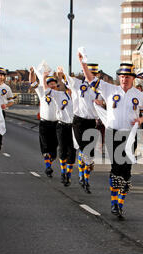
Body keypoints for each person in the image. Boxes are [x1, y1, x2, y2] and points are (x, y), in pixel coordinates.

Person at [80, 56, 143, 219]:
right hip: (113, 133)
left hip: (129, 135)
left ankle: (120, 203)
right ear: (119, 77)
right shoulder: (109, 89)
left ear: (133, 78)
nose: (124, 79)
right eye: (122, 76)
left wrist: (140, 119)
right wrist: (82, 63)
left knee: (126, 171)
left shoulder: (139, 95)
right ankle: (114, 204)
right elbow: (91, 79)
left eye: (127, 77)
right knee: (116, 168)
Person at [58, 63, 100, 194]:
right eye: (88, 73)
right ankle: (82, 176)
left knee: (89, 154)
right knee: (83, 148)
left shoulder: (100, 88)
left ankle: (85, 178)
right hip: (78, 121)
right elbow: (65, 79)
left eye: (93, 74)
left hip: (92, 122)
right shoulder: (76, 83)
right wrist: (61, 72)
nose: (91, 76)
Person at [45, 68, 76, 186]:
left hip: (73, 127)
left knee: (72, 152)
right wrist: (54, 77)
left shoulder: (79, 98)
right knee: (62, 150)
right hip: (62, 126)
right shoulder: (60, 95)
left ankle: (68, 174)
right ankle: (63, 172)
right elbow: (47, 91)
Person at [29, 67, 59, 178]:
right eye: (50, 83)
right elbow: (33, 83)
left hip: (56, 124)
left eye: (54, 84)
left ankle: (50, 162)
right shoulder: (42, 92)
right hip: (44, 124)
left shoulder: (59, 95)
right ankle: (48, 167)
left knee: (54, 148)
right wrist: (32, 73)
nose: (52, 85)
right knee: (45, 146)